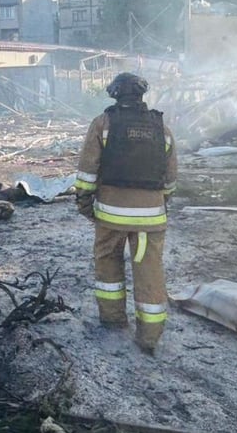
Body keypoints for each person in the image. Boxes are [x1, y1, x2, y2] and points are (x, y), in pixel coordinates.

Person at [75, 72, 178, 355]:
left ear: (115, 94)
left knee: (108, 263)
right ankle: (149, 335)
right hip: (151, 219)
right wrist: (159, 201)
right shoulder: (162, 128)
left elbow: (87, 169)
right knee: (149, 272)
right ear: (141, 96)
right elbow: (170, 178)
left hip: (110, 216)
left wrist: (85, 204)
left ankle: (113, 320)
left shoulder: (103, 123)